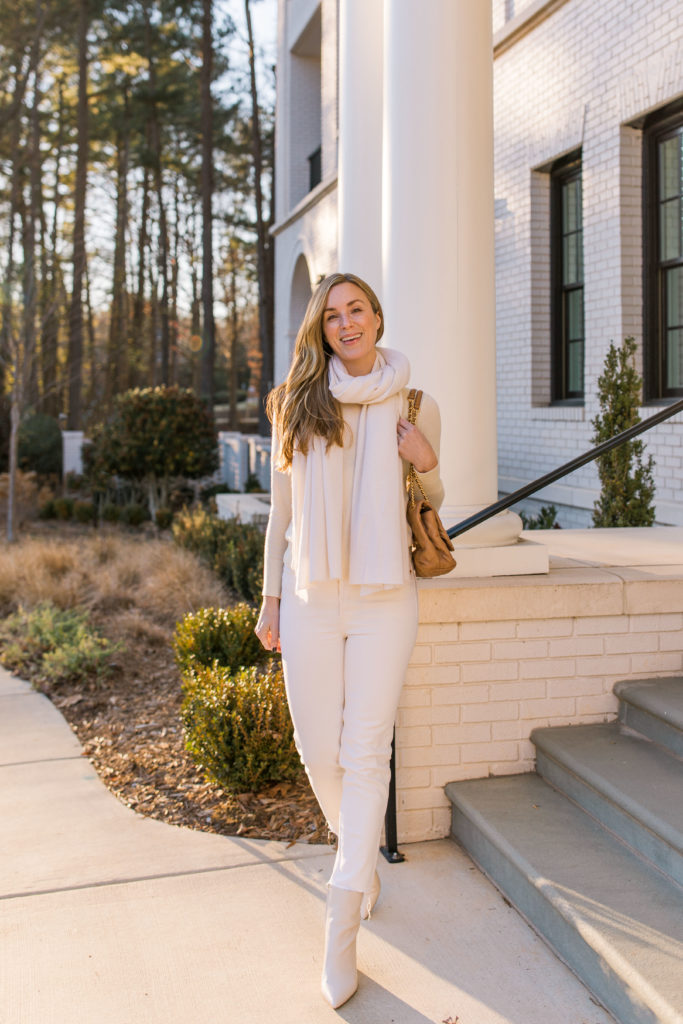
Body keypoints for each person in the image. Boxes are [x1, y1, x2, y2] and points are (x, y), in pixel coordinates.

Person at [255, 272, 444, 1008]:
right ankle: (359, 860)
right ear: (321, 328)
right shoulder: (293, 403)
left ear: (376, 316)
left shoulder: (416, 401)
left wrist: (427, 464)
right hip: (310, 594)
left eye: (356, 309)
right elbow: (280, 515)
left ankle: (341, 925)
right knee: (316, 749)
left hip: (384, 595)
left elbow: (432, 501)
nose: (346, 323)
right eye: (332, 315)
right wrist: (270, 598)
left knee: (365, 752)